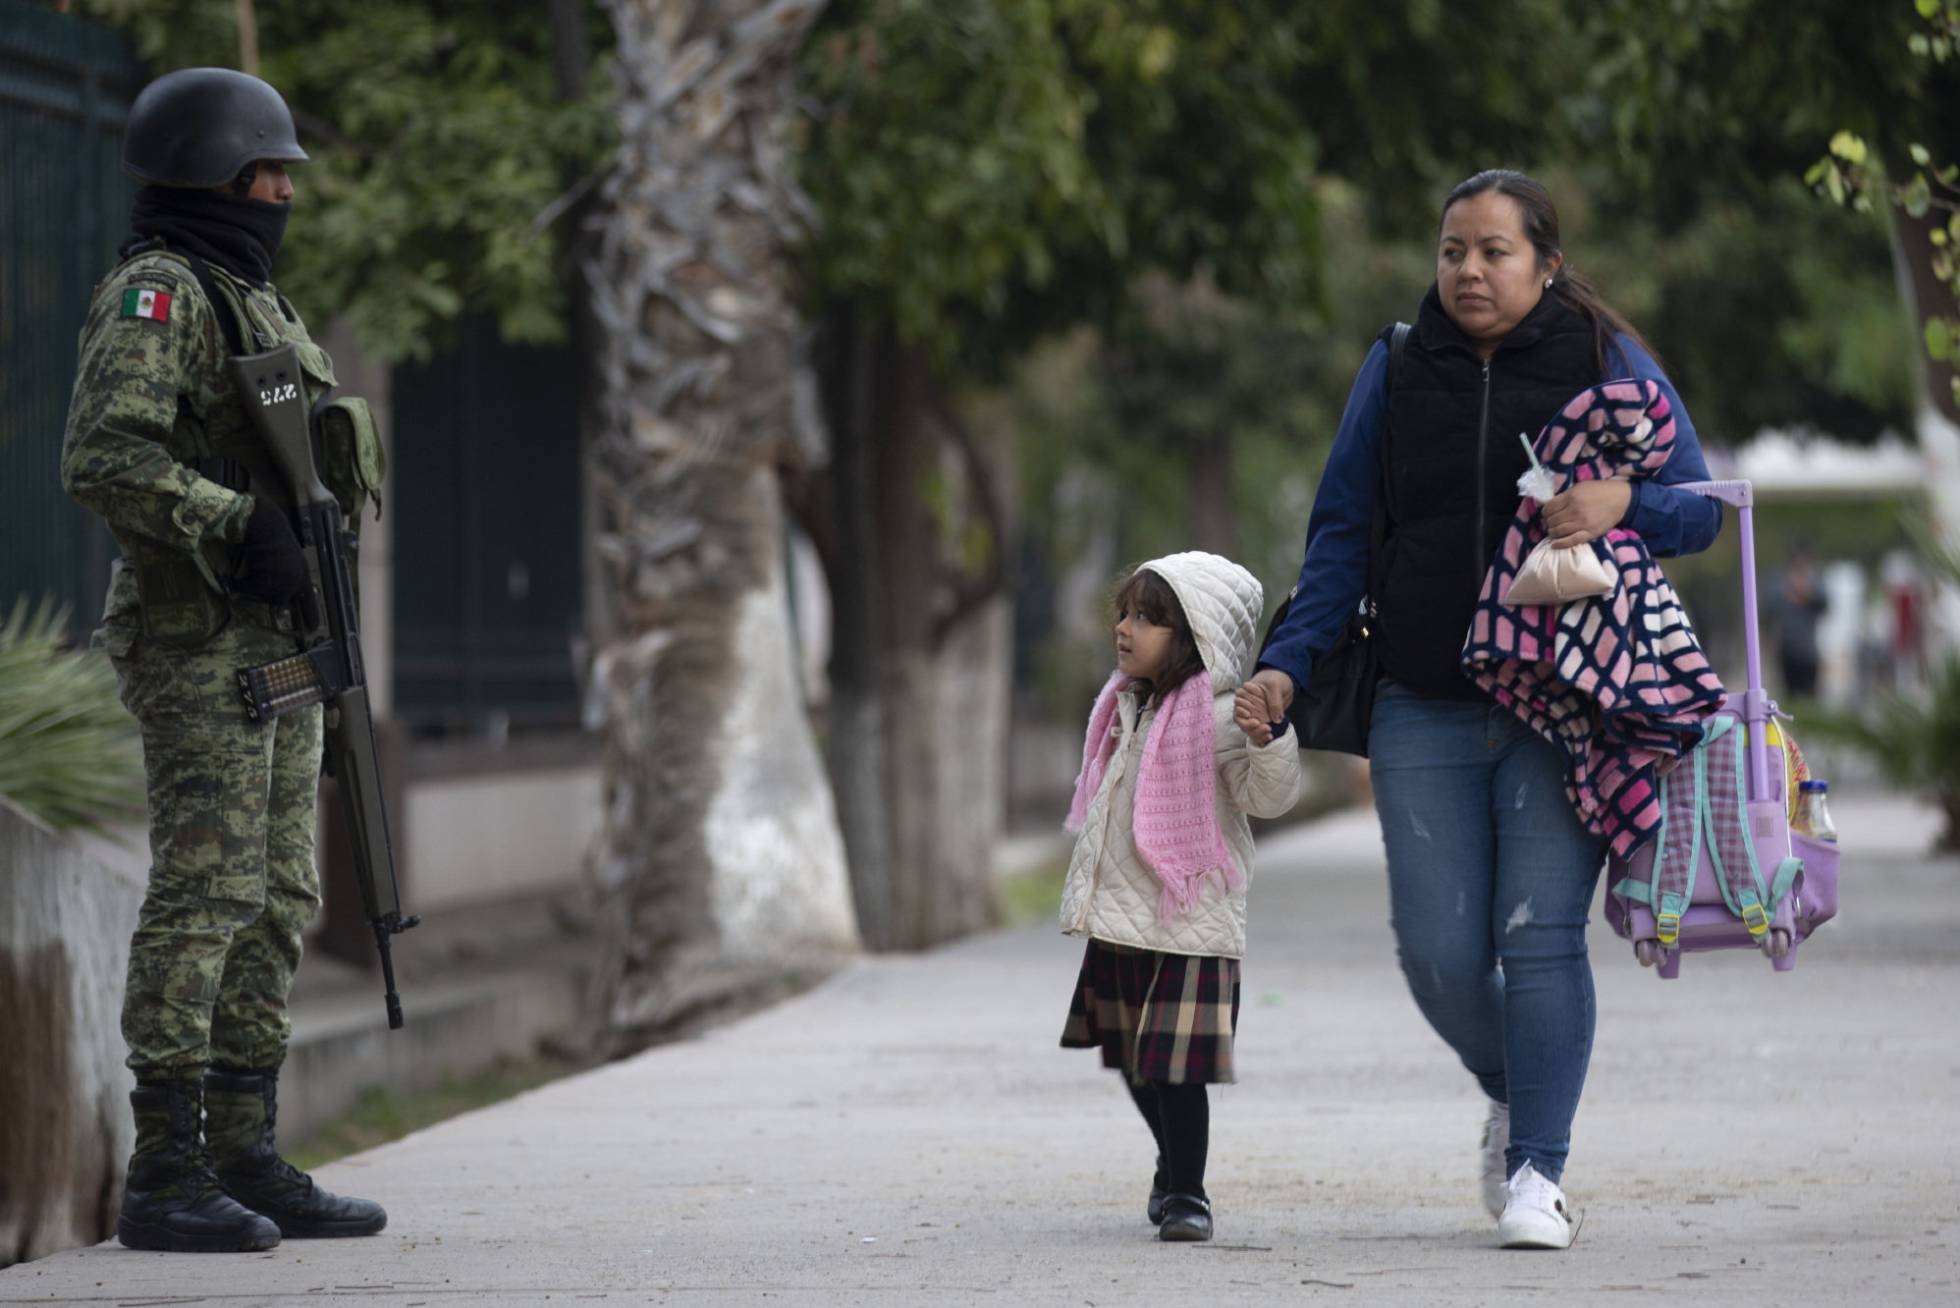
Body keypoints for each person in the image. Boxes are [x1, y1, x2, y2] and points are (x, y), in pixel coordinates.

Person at [1237, 169, 1723, 1249]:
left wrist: (1622, 502)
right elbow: (1339, 535)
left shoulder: (1604, 359)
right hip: (1420, 699)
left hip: (1565, 702)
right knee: (1439, 954)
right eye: (1453, 250)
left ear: (1546, 264)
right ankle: (1516, 1085)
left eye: (1493, 251)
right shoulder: (1399, 364)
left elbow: (1700, 509)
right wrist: (1284, 666)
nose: (1468, 270)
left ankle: (1538, 1170)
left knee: (1537, 935)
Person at [61, 67, 386, 1253]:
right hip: (196, 640)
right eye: (267, 174)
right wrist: (235, 525)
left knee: (280, 894)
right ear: (213, 175)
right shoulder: (159, 295)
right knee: (206, 896)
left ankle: (247, 1153)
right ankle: (166, 1171)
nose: (284, 193)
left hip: (279, 635)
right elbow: (105, 457)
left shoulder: (255, 298)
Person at [1057, 552, 1305, 1243]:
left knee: (1176, 1068)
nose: (1125, 628)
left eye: (1148, 618)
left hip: (1191, 919)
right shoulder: (1123, 705)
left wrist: (1269, 741)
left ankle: (1188, 1194)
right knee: (1130, 1057)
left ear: (1197, 636)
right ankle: (1170, 1160)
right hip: (1122, 917)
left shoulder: (1223, 719)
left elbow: (1268, 797)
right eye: (1125, 613)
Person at [1777, 547, 1828, 698]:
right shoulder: (1781, 589)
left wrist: (1807, 591)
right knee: (1791, 695)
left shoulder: (1815, 589)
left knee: (1809, 695)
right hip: (1788, 653)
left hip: (1808, 654)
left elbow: (1823, 603)